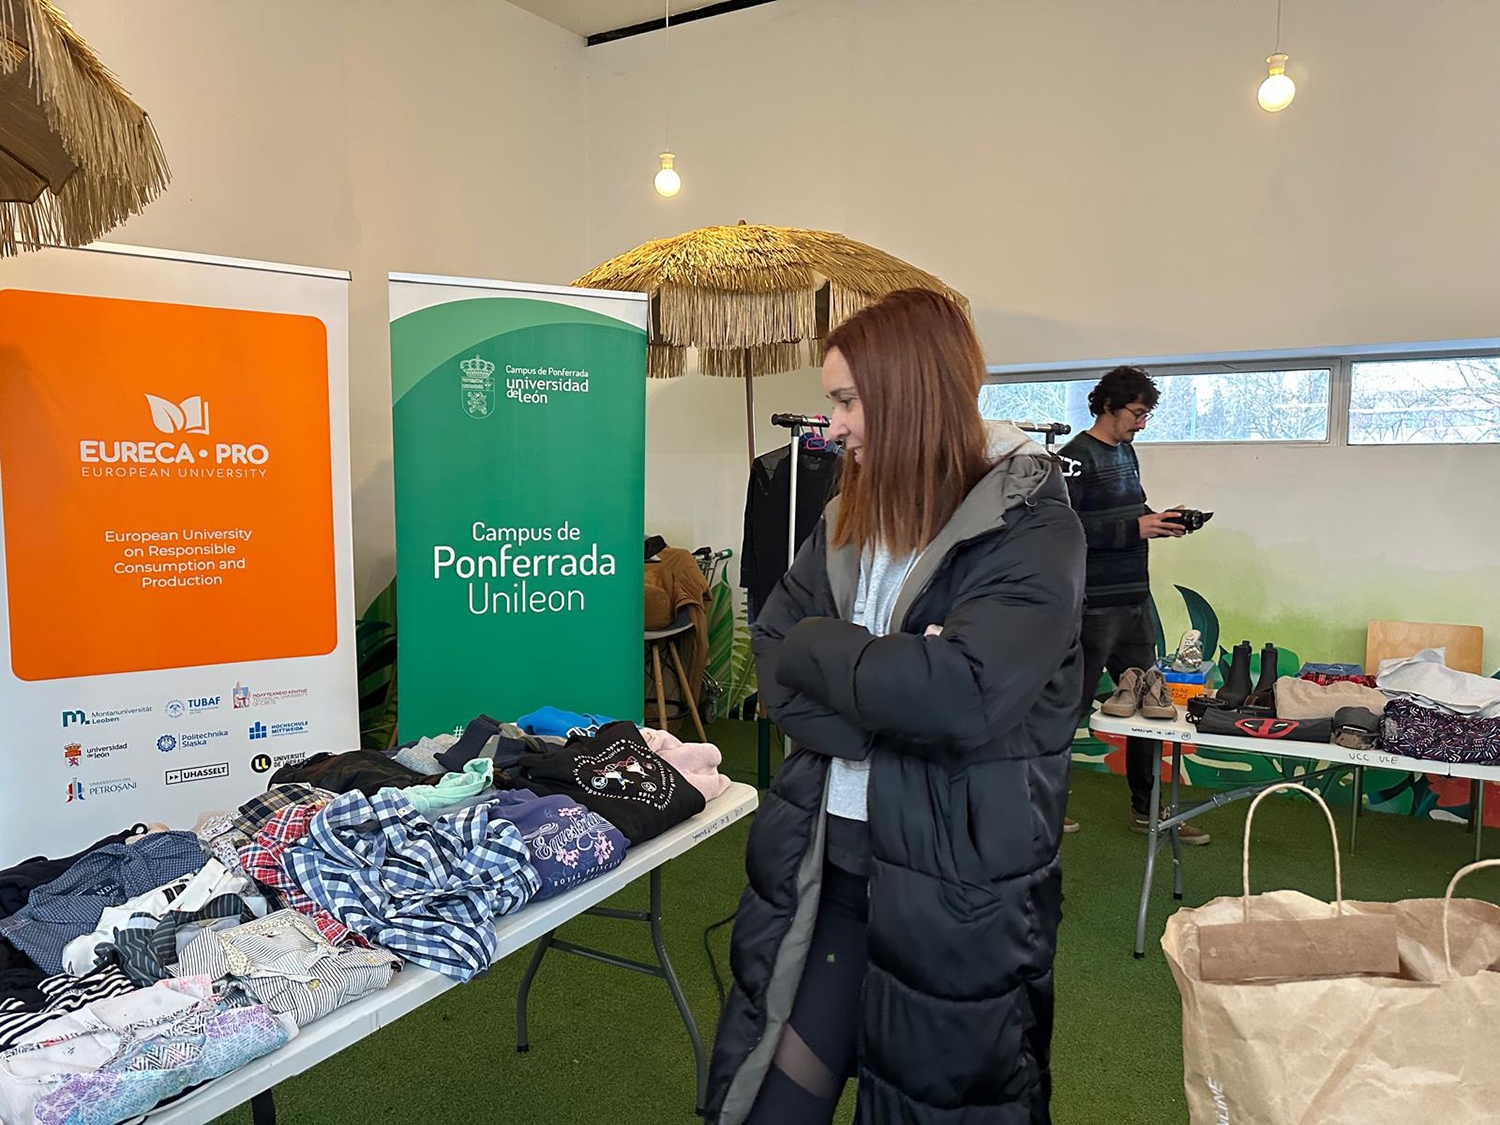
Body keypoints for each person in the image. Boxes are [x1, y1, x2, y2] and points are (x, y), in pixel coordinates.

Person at [705, 289, 1086, 1125]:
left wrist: (827, 652)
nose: (830, 423)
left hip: (956, 897)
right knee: (771, 1102)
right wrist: (874, 700)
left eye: (845, 399)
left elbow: (962, 693)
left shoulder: (1028, 527)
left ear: (909, 390)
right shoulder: (850, 514)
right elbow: (774, 648)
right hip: (830, 870)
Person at [1056, 366, 1209, 843]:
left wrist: (1160, 519)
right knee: (1066, 711)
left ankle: (1149, 812)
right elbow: (1061, 531)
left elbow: (1128, 511)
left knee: (1150, 709)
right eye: (1138, 413)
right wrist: (1133, 530)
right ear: (1109, 405)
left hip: (1134, 604)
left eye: (1146, 415)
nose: (1142, 423)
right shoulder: (1072, 459)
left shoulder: (1126, 451)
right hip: (1091, 610)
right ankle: (1044, 809)